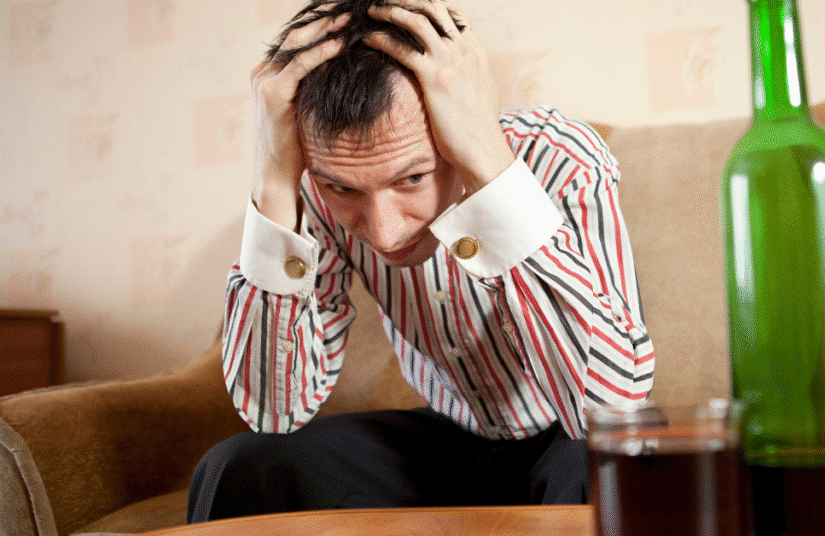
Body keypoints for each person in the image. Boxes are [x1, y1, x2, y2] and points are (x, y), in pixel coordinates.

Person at [188, 0, 654, 521]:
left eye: (412, 177)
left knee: (613, 466)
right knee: (241, 466)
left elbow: (611, 406)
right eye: (342, 187)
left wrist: (489, 172)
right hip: (448, 439)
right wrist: (274, 178)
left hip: (568, 434)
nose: (385, 233)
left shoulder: (560, 156)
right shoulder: (312, 192)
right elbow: (275, 411)